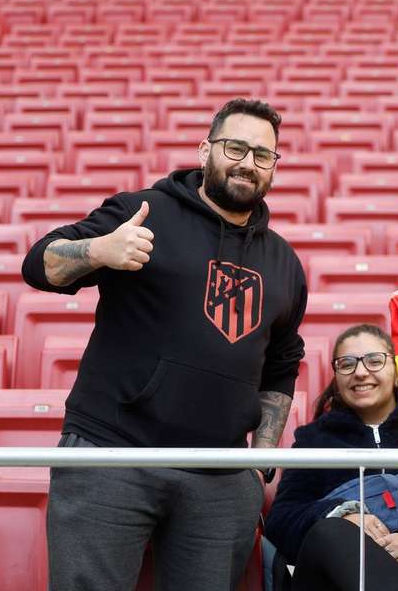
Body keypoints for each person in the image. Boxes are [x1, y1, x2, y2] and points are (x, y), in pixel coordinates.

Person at [21, 98, 308, 591]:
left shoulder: (284, 262)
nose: (247, 163)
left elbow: (281, 366)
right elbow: (38, 265)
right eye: (235, 147)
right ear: (205, 150)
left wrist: (258, 458)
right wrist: (99, 250)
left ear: (274, 167)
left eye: (263, 155)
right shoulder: (141, 211)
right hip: (111, 457)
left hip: (219, 476)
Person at [265, 324, 398, 591]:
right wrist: (342, 517)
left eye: (374, 361)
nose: (359, 372)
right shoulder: (313, 441)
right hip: (331, 579)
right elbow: (280, 523)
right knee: (330, 530)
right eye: (346, 364)